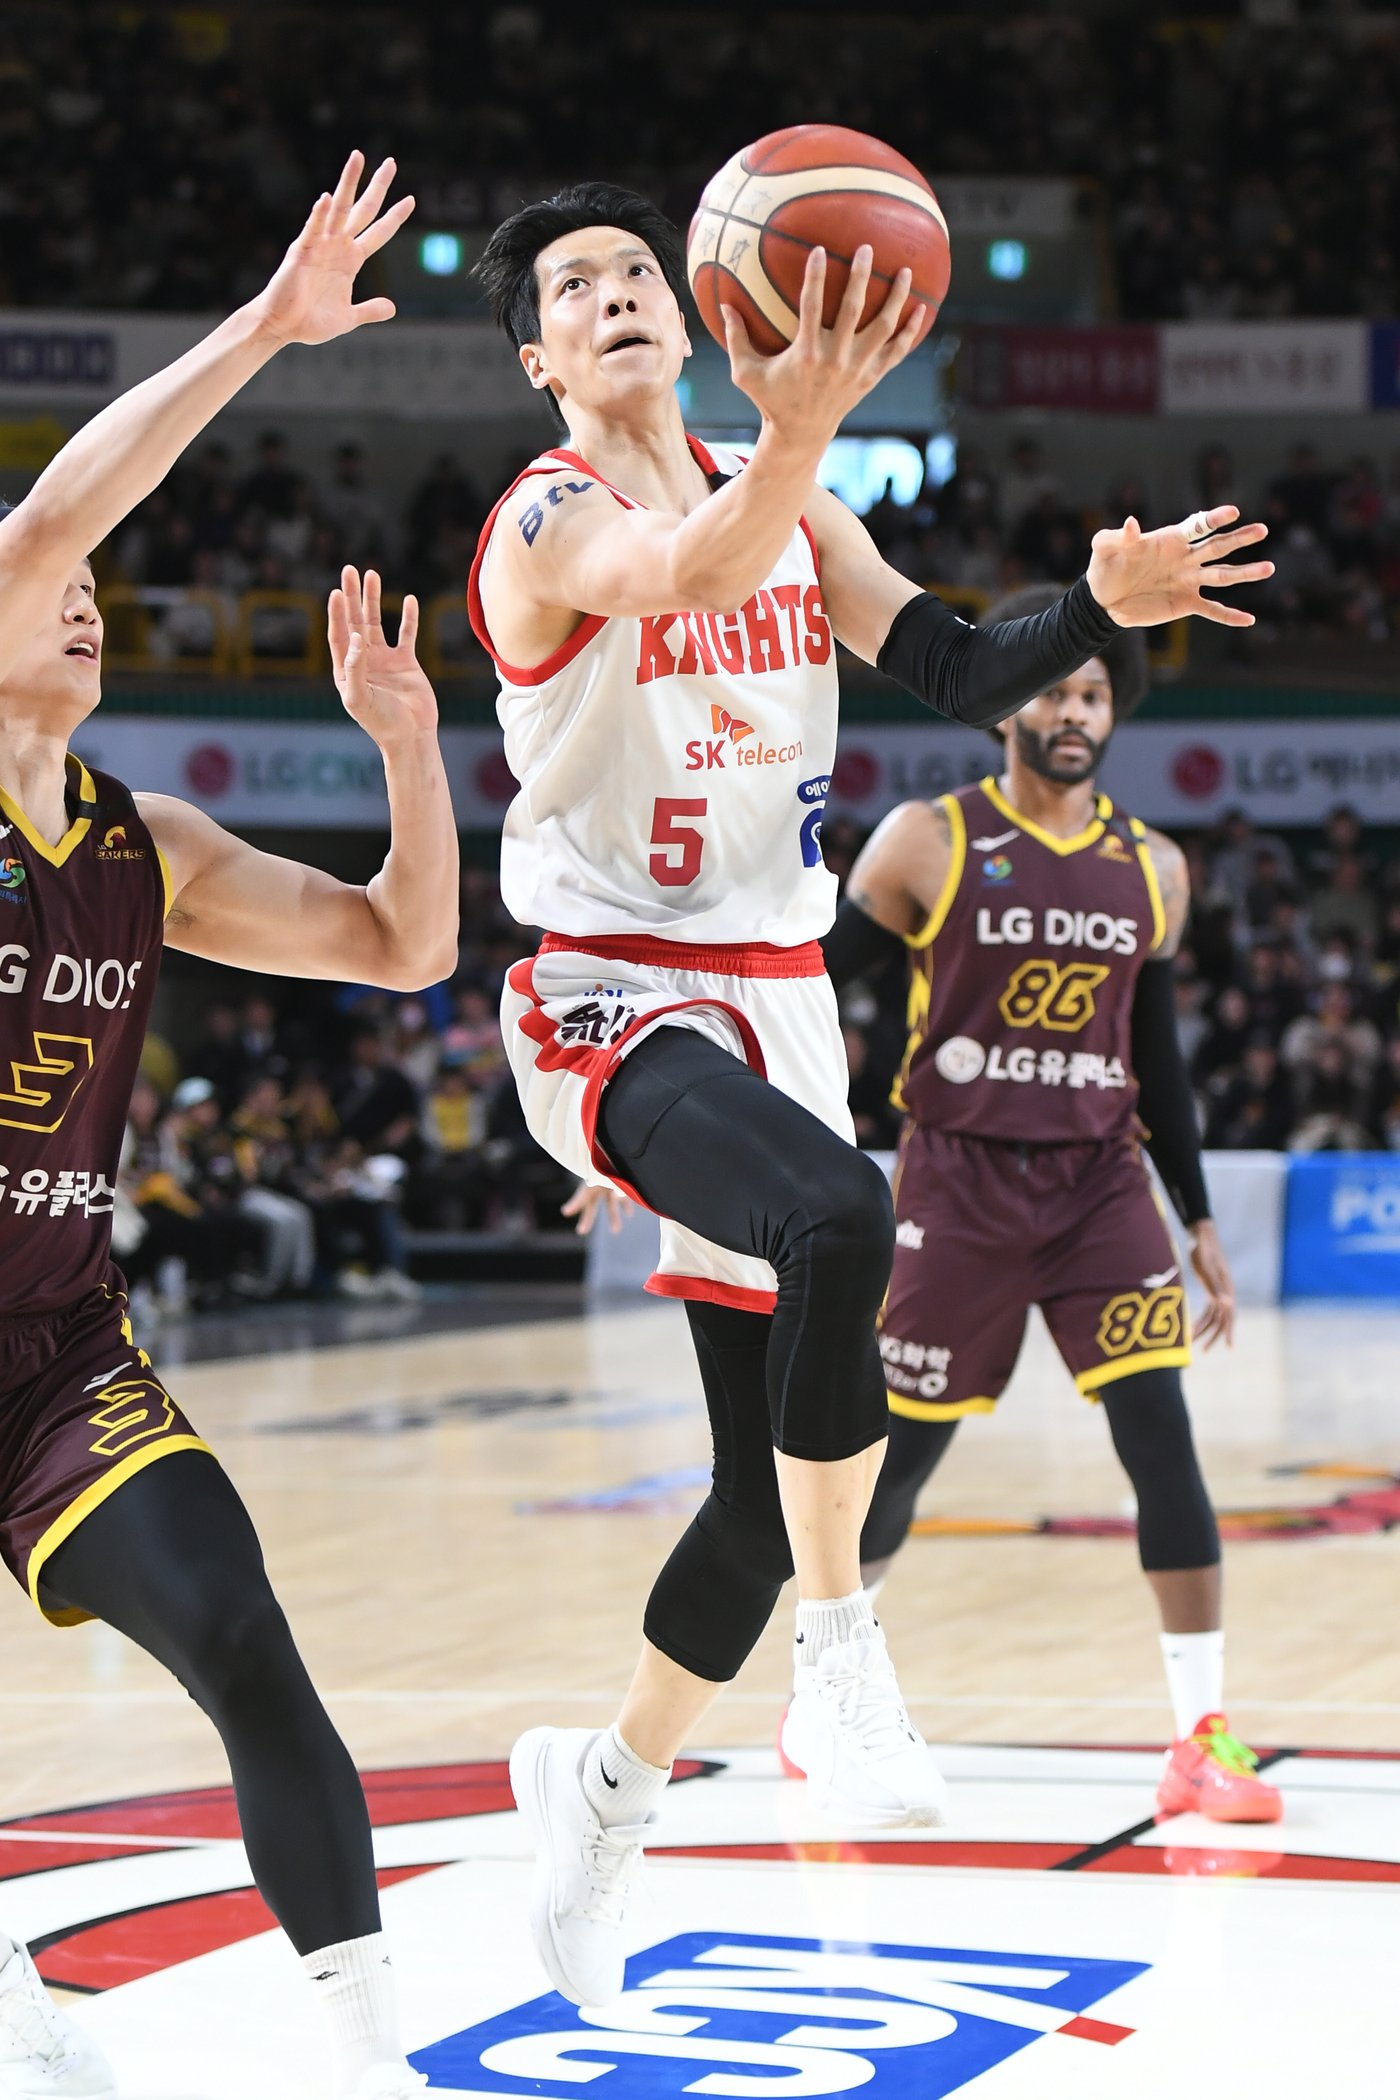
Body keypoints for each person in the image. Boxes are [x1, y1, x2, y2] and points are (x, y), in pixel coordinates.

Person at [469, 180, 1272, 2006]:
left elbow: (962, 663)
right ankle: (845, 1661)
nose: (613, 296)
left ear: (693, 310)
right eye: (574, 289)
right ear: (538, 360)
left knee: (759, 1500)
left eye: (635, 274)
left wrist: (1091, 601)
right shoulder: (547, 512)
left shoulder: (792, 490)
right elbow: (678, 571)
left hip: (776, 1006)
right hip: (607, 995)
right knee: (844, 1212)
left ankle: (599, 1803)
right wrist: (809, 430)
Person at [0, 154, 456, 2100]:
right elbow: (47, 508)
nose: (85, 603)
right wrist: (264, 334)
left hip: (52, 1358)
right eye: (57, 588)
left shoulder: (142, 845)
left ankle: (370, 2054)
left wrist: (414, 756)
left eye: (107, 597)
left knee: (243, 1629)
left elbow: (399, 940)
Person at [816, 582, 1282, 1828]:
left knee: (1159, 1439)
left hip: (1096, 1193)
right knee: (900, 1458)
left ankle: (1199, 1735)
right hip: (956, 1183)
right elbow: (807, 986)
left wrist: (1193, 1218)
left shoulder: (1153, 867)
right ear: (1002, 710)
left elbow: (1162, 1058)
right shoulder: (927, 837)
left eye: (1090, 694)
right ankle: (829, 1695)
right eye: (1052, 690)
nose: (1073, 711)